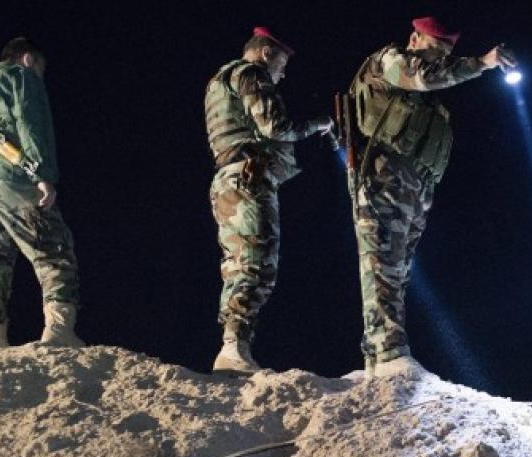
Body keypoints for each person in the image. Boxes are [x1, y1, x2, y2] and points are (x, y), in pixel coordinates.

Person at [346, 16, 516, 377]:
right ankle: (388, 350)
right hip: (384, 175)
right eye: (435, 49)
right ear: (414, 38)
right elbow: (422, 76)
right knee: (383, 261)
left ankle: (379, 357)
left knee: (400, 269)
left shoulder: (426, 90)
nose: (439, 59)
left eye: (446, 53)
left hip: (414, 184)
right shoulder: (389, 60)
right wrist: (481, 63)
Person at [204, 27, 333, 374]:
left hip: (228, 180)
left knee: (238, 263)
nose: (282, 73)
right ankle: (234, 349)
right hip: (249, 179)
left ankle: (232, 347)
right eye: (281, 64)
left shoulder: (220, 80)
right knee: (258, 263)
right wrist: (317, 125)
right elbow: (275, 127)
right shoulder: (250, 73)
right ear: (265, 53)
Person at [0, 37, 84, 349]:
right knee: (53, 249)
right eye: (40, 67)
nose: (40, 74)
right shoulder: (20, 78)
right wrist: (43, 175)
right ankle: (60, 331)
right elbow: (31, 123)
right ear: (27, 59)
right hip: (12, 177)